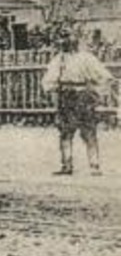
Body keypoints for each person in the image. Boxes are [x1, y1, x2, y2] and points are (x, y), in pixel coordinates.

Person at [42, 33, 114, 176]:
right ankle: (67, 165)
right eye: (64, 40)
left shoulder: (87, 58)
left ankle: (94, 165)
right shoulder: (59, 59)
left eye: (70, 39)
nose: (67, 42)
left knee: (89, 131)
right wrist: (53, 91)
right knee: (65, 132)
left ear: (76, 42)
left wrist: (96, 91)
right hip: (67, 97)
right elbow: (49, 80)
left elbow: (104, 75)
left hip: (83, 97)